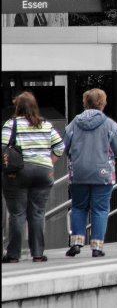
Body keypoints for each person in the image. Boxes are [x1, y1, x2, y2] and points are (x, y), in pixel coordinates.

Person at [1, 91, 65, 263]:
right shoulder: (45, 125)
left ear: (18, 107)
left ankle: (13, 255)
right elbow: (60, 146)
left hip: (18, 172)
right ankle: (37, 253)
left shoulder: (11, 124)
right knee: (37, 213)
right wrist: (49, 163)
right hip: (43, 172)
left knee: (17, 214)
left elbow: (3, 147)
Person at [64, 89, 117, 258]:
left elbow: (64, 145)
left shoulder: (74, 124)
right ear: (102, 103)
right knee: (100, 209)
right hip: (103, 172)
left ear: (85, 102)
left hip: (78, 172)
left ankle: (76, 243)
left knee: (78, 206)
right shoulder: (110, 124)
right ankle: (97, 247)